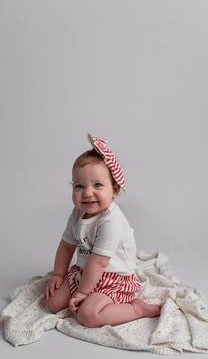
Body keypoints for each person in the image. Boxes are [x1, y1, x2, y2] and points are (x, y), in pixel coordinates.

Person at [43, 134, 161, 328]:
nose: (87, 193)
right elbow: (66, 246)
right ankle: (85, 293)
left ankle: (136, 309)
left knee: (88, 316)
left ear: (114, 190)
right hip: (84, 272)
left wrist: (82, 293)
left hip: (113, 278)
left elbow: (99, 263)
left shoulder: (111, 221)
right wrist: (58, 274)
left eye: (97, 185)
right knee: (53, 303)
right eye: (79, 186)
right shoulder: (77, 214)